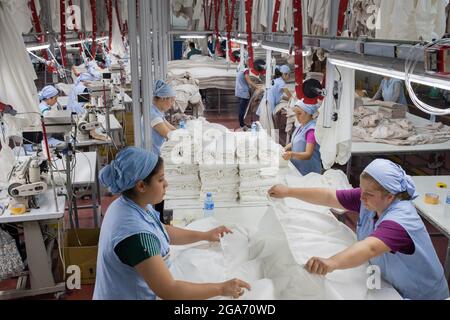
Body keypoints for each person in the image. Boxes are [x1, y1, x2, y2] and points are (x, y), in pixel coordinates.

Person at [268, 159, 449, 300]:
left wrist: (332, 263)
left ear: (390, 196)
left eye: (368, 193)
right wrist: (289, 192)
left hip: (421, 294)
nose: (361, 196)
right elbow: (329, 196)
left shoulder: (400, 221)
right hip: (391, 283)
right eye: (361, 190)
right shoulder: (369, 199)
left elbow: (370, 248)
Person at [93, 147, 251, 300]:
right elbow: (169, 290)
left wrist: (205, 235)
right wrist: (221, 288)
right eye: (160, 179)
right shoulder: (136, 236)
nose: (166, 184)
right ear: (141, 186)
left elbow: (162, 231)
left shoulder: (129, 204)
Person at [283, 99, 321, 176]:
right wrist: (284, 148)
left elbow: (308, 154)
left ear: (308, 113)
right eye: (295, 113)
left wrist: (292, 154)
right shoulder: (301, 126)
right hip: (299, 167)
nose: (297, 117)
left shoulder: (311, 131)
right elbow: (297, 141)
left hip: (309, 171)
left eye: (299, 113)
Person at [148, 80, 177, 156]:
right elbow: (169, 134)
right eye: (171, 100)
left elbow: (172, 128)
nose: (172, 105)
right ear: (163, 99)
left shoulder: (157, 112)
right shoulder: (153, 116)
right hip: (153, 157)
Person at [235, 64, 259, 130]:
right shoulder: (246, 70)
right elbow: (248, 81)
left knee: (241, 109)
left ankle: (242, 124)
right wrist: (258, 87)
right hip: (244, 92)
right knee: (242, 110)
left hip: (239, 91)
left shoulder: (239, 67)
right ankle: (242, 126)